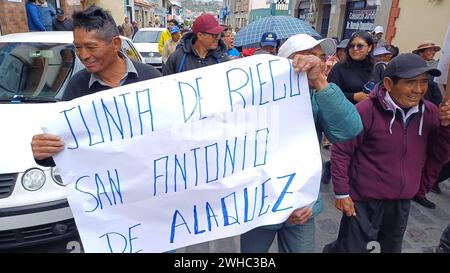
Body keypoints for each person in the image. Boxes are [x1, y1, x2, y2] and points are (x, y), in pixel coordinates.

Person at [240, 34, 363, 253]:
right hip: (259, 209)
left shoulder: (319, 96)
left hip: (301, 209)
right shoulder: (255, 98)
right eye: (308, 56)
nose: (317, 61)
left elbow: (349, 129)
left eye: (320, 56)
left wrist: (320, 81)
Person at [325, 53, 450, 253]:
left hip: (401, 201)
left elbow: (440, 155)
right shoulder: (366, 110)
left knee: (388, 249)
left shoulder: (431, 112)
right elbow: (342, 150)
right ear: (389, 83)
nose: (418, 90)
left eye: (424, 82)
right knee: (353, 248)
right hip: (364, 200)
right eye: (410, 82)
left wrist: (446, 127)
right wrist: (341, 192)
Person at [30, 5, 162, 166]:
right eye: (78, 47)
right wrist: (43, 152)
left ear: (115, 44)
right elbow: (68, 147)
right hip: (103, 185)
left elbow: (171, 135)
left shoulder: (151, 79)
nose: (83, 55)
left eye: (91, 47)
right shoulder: (77, 87)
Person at [162, 14, 228, 75]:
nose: (218, 38)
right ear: (200, 35)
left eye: (219, 34)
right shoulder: (177, 58)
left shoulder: (223, 59)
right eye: (214, 35)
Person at [328, 31, 375, 104]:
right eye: (352, 45)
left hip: (368, 112)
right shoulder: (339, 67)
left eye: (360, 46)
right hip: (344, 112)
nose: (355, 49)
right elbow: (329, 93)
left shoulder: (375, 67)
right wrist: (354, 96)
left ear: (369, 48)